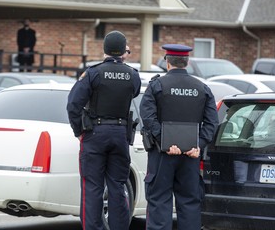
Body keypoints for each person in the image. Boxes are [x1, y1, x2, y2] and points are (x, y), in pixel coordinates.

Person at [66, 30, 141, 230]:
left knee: (92, 188)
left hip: (95, 134)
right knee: (118, 187)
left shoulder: (93, 73)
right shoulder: (133, 75)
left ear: (104, 49)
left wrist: (79, 131)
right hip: (120, 135)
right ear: (124, 50)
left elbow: (73, 104)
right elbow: (133, 92)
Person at [139, 44, 218, 230]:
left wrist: (165, 141)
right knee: (190, 203)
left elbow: (148, 117)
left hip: (162, 155)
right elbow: (212, 122)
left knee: (159, 201)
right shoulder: (202, 88)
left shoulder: (157, 86)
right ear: (187, 62)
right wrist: (198, 145)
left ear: (167, 62)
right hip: (191, 156)